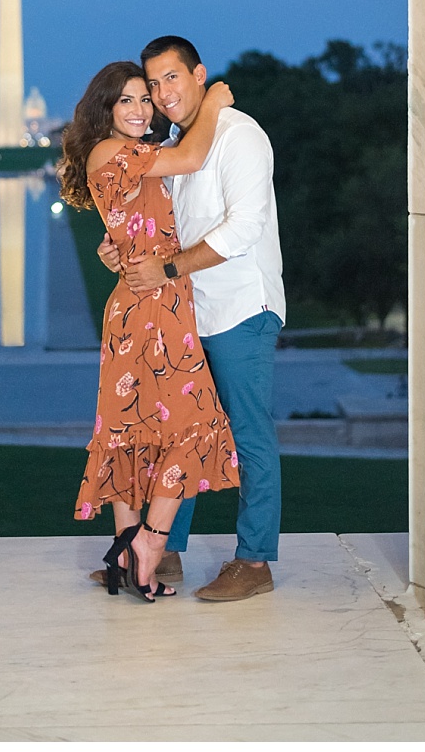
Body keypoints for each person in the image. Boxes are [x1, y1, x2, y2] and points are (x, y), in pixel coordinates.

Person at [94, 35, 286, 602]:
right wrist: (119, 247)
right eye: (152, 85)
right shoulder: (177, 144)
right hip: (184, 313)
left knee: (248, 437)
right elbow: (159, 220)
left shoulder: (239, 135)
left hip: (240, 309)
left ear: (199, 75)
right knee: (179, 430)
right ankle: (164, 553)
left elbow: (242, 228)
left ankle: (253, 563)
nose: (161, 93)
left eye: (171, 78)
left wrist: (167, 269)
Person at [58, 60, 241, 602]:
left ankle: (127, 554)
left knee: (135, 430)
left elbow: (130, 227)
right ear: (105, 110)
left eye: (145, 99)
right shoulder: (118, 152)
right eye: (127, 101)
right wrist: (211, 104)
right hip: (154, 306)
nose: (142, 109)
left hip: (139, 301)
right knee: (193, 423)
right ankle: (151, 546)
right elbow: (191, 155)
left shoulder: (116, 156)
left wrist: (113, 249)